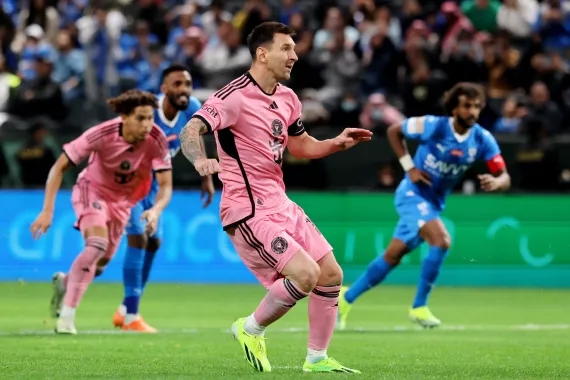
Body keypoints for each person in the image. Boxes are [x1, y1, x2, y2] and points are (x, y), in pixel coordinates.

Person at [179, 22, 372, 374]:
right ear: (262, 53)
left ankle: (316, 358)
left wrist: (335, 143)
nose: (294, 56)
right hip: (248, 209)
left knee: (331, 274)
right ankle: (250, 329)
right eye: (286, 48)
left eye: (294, 49)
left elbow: (300, 145)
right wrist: (200, 159)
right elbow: (191, 129)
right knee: (306, 275)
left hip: (281, 202)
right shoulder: (232, 97)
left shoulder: (288, 98)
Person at [337, 83, 511, 330]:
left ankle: (345, 299)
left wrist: (497, 182)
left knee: (393, 256)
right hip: (411, 194)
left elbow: (505, 176)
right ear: (454, 108)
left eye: (476, 107)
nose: (472, 111)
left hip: (434, 203)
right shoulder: (434, 125)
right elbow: (394, 131)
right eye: (466, 106)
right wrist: (409, 168)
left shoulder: (482, 139)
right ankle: (419, 306)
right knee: (442, 241)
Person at [30, 89, 173, 335]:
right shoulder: (102, 133)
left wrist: (156, 210)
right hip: (92, 191)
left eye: (150, 118)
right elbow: (59, 167)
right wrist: (47, 211)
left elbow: (166, 185)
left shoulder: (157, 139)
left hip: (123, 203)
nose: (147, 124)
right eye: (140, 118)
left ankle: (65, 284)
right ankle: (66, 318)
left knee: (99, 265)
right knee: (96, 244)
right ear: (125, 117)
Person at [96, 65, 214, 333]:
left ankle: (125, 308)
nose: (183, 89)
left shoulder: (192, 106)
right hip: (129, 185)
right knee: (138, 237)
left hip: (154, 187)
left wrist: (205, 173)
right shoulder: (149, 113)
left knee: (154, 242)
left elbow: (195, 136)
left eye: (187, 83)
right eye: (177, 84)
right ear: (164, 89)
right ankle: (131, 317)